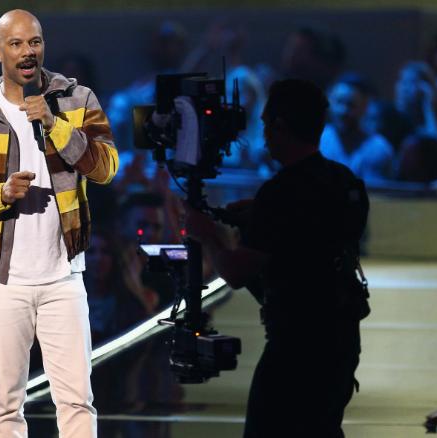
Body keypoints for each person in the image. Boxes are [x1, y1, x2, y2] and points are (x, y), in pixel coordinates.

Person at [0, 9, 117, 437]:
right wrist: (0, 195)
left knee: (75, 400)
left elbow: (106, 167)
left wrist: (55, 126)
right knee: (4, 405)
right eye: (15, 44)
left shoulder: (77, 100)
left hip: (63, 275)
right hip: (2, 278)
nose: (27, 51)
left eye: (33, 42)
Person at [186, 79, 370, 437]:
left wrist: (206, 232)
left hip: (296, 349)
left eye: (268, 125)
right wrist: (261, 215)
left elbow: (236, 271)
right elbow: (314, 236)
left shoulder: (280, 193)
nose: (264, 135)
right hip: (341, 342)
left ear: (281, 125)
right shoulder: (346, 182)